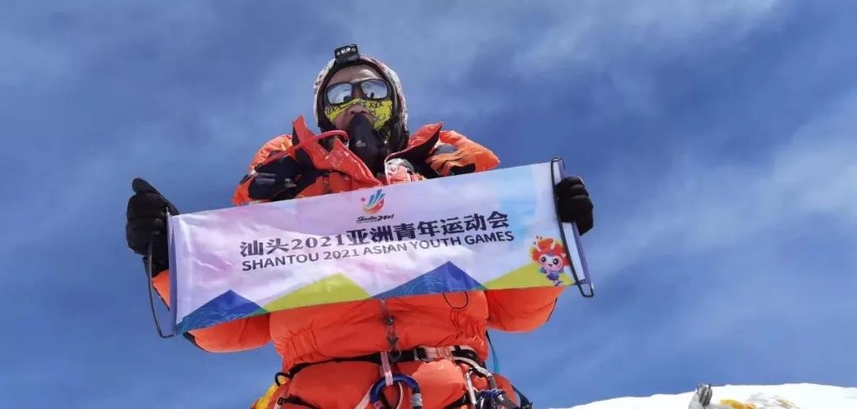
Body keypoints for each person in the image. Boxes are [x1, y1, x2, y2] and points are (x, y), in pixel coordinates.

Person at [125, 44, 595, 408]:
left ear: (395, 106)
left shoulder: (452, 186)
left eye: (371, 92)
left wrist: (549, 233)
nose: (357, 104)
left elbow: (516, 312)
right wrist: (173, 264)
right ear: (322, 112)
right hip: (321, 393)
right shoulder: (279, 199)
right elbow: (230, 331)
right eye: (340, 94)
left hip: (454, 389)